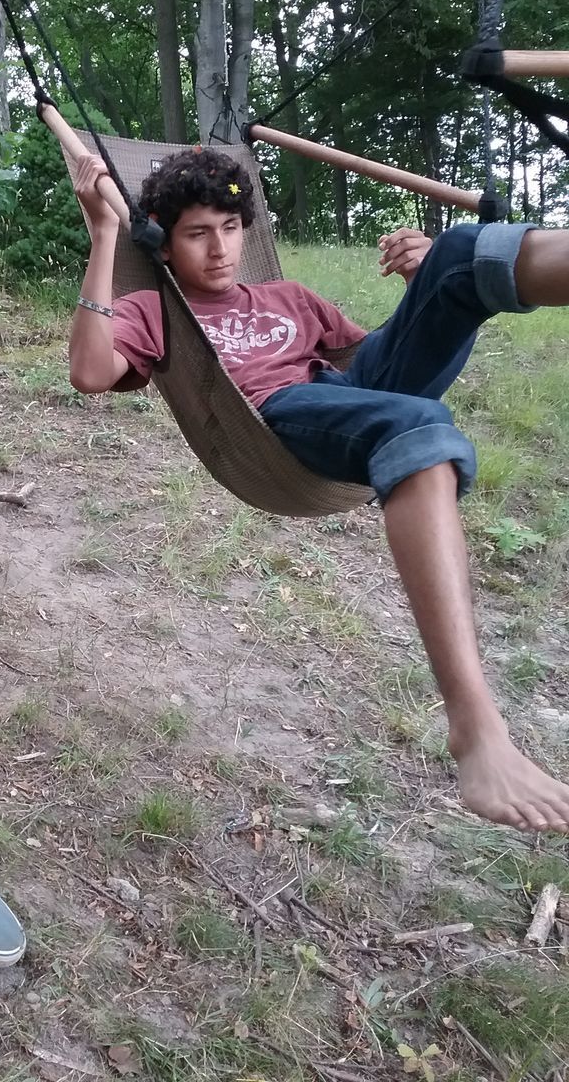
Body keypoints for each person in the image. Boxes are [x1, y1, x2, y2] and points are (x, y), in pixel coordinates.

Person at [68, 147, 569, 834]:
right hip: (276, 422)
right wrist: (103, 234)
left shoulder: (288, 298)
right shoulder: (157, 309)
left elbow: (377, 363)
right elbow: (92, 371)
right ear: (161, 238)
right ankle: (475, 723)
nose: (220, 250)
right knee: (417, 427)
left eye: (230, 228)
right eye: (197, 233)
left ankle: (453, 266)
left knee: (458, 252)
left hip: (342, 394)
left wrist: (424, 289)